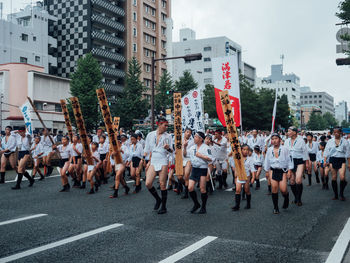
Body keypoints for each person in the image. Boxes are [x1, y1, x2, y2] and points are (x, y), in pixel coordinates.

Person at [144, 117, 173, 214]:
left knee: (162, 184)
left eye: (167, 125)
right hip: (153, 160)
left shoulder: (168, 136)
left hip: (163, 159)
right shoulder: (150, 135)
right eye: (165, 125)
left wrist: (168, 148)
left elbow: (172, 152)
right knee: (148, 183)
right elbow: (147, 150)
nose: (166, 127)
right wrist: (146, 161)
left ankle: (164, 207)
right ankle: (158, 199)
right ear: (159, 124)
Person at [264, 133, 293, 214]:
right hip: (273, 170)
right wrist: (266, 171)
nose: (274, 140)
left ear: (280, 140)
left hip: (283, 171)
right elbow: (267, 161)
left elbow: (289, 160)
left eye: (276, 138)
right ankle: (275, 207)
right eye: (272, 139)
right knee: (274, 188)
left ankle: (286, 197)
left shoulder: (285, 149)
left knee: (283, 189)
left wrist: (289, 171)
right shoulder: (269, 150)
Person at [188, 131, 212, 214]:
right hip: (194, 169)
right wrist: (184, 147)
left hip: (202, 168)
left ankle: (203, 207)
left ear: (201, 139)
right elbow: (185, 155)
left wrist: (201, 156)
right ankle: (196, 204)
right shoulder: (192, 148)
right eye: (194, 136)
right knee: (190, 187)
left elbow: (210, 159)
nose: (194, 138)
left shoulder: (206, 148)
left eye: (196, 137)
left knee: (202, 189)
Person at [324, 127, 350, 201]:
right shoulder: (330, 141)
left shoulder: (345, 141)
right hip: (333, 159)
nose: (336, 134)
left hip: (341, 159)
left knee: (342, 177)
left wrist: (349, 163)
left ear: (341, 133)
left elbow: (348, 153)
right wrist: (325, 160)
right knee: (334, 177)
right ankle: (335, 194)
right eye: (334, 132)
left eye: (337, 132)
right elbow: (326, 151)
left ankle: (341, 193)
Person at [285, 126, 308, 206]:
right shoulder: (286, 141)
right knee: (291, 181)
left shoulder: (301, 141)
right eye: (288, 131)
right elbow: (285, 153)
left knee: (298, 180)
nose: (288, 133)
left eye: (289, 131)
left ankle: (299, 199)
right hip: (290, 162)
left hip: (299, 161)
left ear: (294, 132)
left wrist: (306, 165)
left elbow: (305, 153)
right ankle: (295, 197)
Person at [232, 144, 256, 211]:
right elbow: (235, 167)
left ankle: (248, 204)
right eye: (244, 149)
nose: (245, 151)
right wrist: (235, 176)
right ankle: (237, 205)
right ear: (241, 150)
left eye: (247, 150)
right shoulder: (238, 158)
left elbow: (252, 169)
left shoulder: (250, 159)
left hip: (247, 176)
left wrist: (253, 177)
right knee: (238, 190)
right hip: (239, 176)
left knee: (247, 190)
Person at [180, 128, 194, 198]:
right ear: (184, 132)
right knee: (179, 177)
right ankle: (186, 185)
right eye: (187, 132)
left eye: (190, 133)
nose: (188, 133)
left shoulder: (192, 142)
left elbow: (186, 154)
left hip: (188, 159)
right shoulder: (179, 140)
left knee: (186, 175)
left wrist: (185, 147)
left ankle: (186, 193)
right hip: (180, 159)